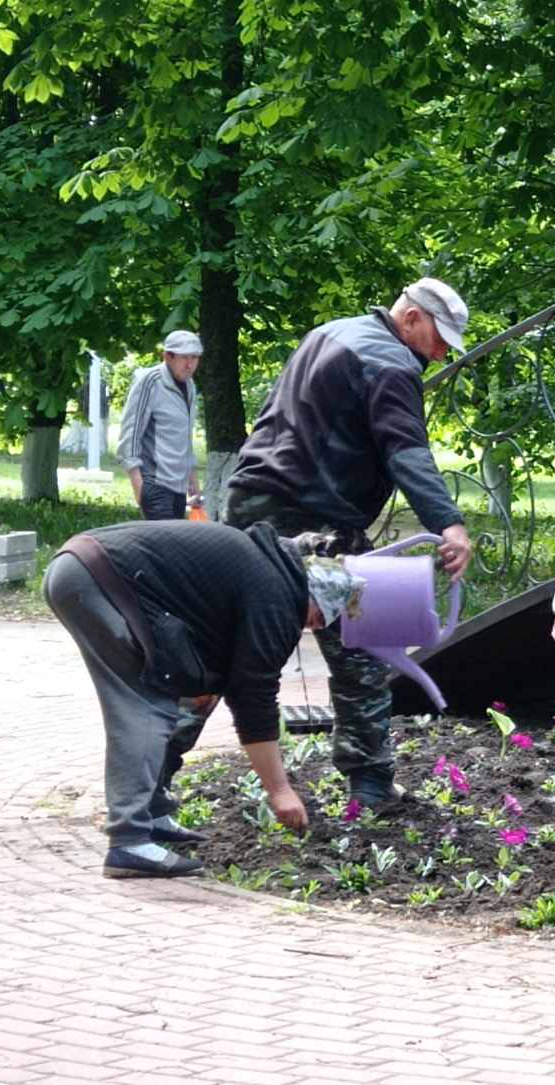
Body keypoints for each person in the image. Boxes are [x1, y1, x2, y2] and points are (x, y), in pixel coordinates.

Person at [216, 277, 475, 810]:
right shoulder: (392, 363)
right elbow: (406, 451)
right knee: (364, 645)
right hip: (318, 522)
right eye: (440, 337)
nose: (442, 351)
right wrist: (449, 524)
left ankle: (149, 786)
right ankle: (371, 784)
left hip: (251, 502)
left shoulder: (331, 333)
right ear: (411, 319)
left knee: (229, 645)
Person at [43, 520, 365, 878]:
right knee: (145, 707)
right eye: (321, 617)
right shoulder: (276, 597)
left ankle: (150, 815)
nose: (315, 627)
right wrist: (280, 791)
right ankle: (129, 841)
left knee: (166, 698)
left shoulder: (271, 571)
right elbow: (253, 695)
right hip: (96, 577)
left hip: (88, 568)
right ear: (314, 594)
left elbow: (221, 657)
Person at [117, 330, 203, 520]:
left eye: (195, 357)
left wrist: (194, 486)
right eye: (184, 358)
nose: (190, 364)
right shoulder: (149, 381)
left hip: (179, 488)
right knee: (165, 548)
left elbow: (184, 440)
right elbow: (129, 436)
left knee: (176, 547)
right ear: (167, 356)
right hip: (155, 485)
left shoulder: (189, 385)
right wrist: (140, 489)